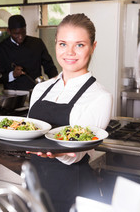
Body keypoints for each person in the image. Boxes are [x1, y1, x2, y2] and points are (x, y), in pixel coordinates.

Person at [27, 13, 113, 212]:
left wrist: (55, 151)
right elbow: (30, 132)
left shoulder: (100, 96)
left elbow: (77, 152)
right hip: (36, 187)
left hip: (74, 192)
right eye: (63, 44)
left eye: (80, 45)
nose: (70, 52)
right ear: (56, 44)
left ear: (93, 47)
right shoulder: (40, 89)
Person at [0, 14, 58, 91]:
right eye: (16, 34)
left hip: (35, 91)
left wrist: (56, 83)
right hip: (12, 94)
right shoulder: (0, 48)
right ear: (9, 31)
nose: (20, 37)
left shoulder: (37, 43)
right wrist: (13, 75)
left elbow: (49, 67)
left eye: (23, 32)